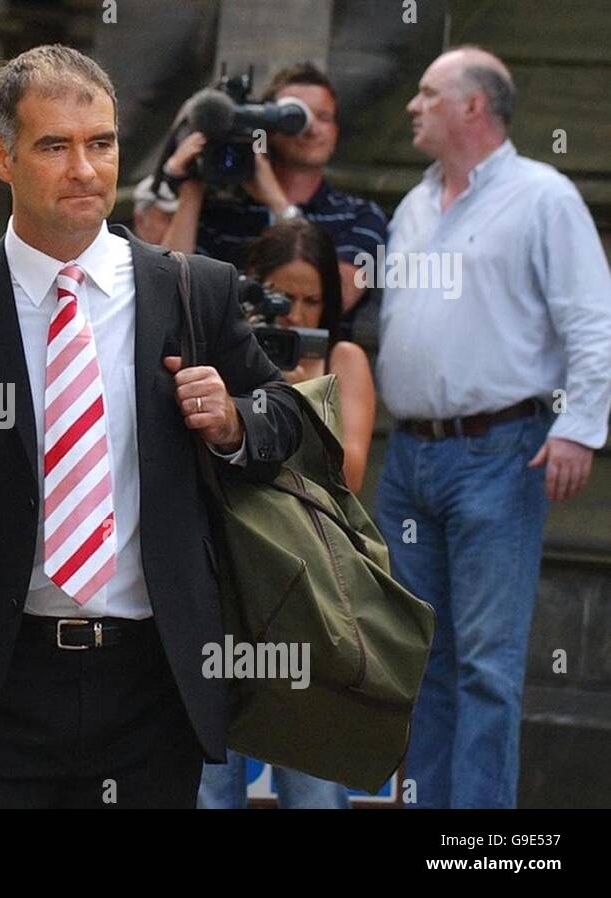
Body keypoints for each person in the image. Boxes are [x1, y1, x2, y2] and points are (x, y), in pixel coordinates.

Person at [0, 44, 302, 809]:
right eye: (55, 146)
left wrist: (235, 422)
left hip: (152, 690)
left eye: (101, 144)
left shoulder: (193, 293)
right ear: (1, 157)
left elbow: (290, 424)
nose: (84, 169)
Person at [374, 46, 611, 808]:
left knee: (486, 664)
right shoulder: (413, 203)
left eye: (426, 92)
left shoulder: (543, 198)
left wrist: (580, 427)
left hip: (500, 454)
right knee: (421, 659)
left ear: (473, 107)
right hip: (409, 459)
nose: (412, 106)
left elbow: (593, 322)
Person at [197, 218, 375, 809]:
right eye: (282, 298)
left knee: (314, 789)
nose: (294, 315)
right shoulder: (224, 354)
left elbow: (347, 477)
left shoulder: (343, 360)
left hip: (310, 600)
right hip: (226, 589)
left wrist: (296, 397)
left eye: (311, 300)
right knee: (210, 784)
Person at [159, 63, 388, 326]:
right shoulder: (222, 210)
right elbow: (169, 291)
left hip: (314, 363)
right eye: (296, 118)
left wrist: (278, 205)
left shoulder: (360, 216)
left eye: (323, 118)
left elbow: (340, 298)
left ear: (337, 131)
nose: (311, 129)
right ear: (266, 125)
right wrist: (192, 187)